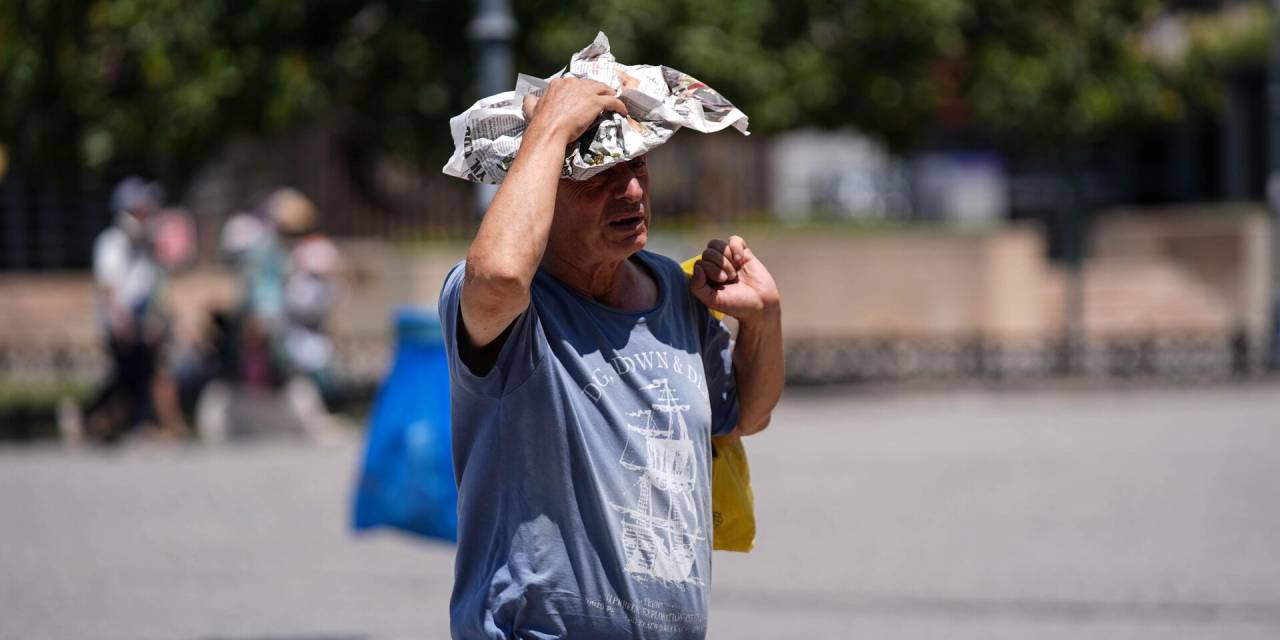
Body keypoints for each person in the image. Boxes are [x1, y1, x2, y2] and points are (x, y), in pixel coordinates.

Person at [439, 77, 784, 638]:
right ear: (543, 186)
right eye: (598, 174)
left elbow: (748, 414)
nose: (630, 192)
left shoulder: (674, 289)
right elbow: (500, 273)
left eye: (638, 167)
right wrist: (550, 127)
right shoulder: (506, 305)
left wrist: (762, 320)